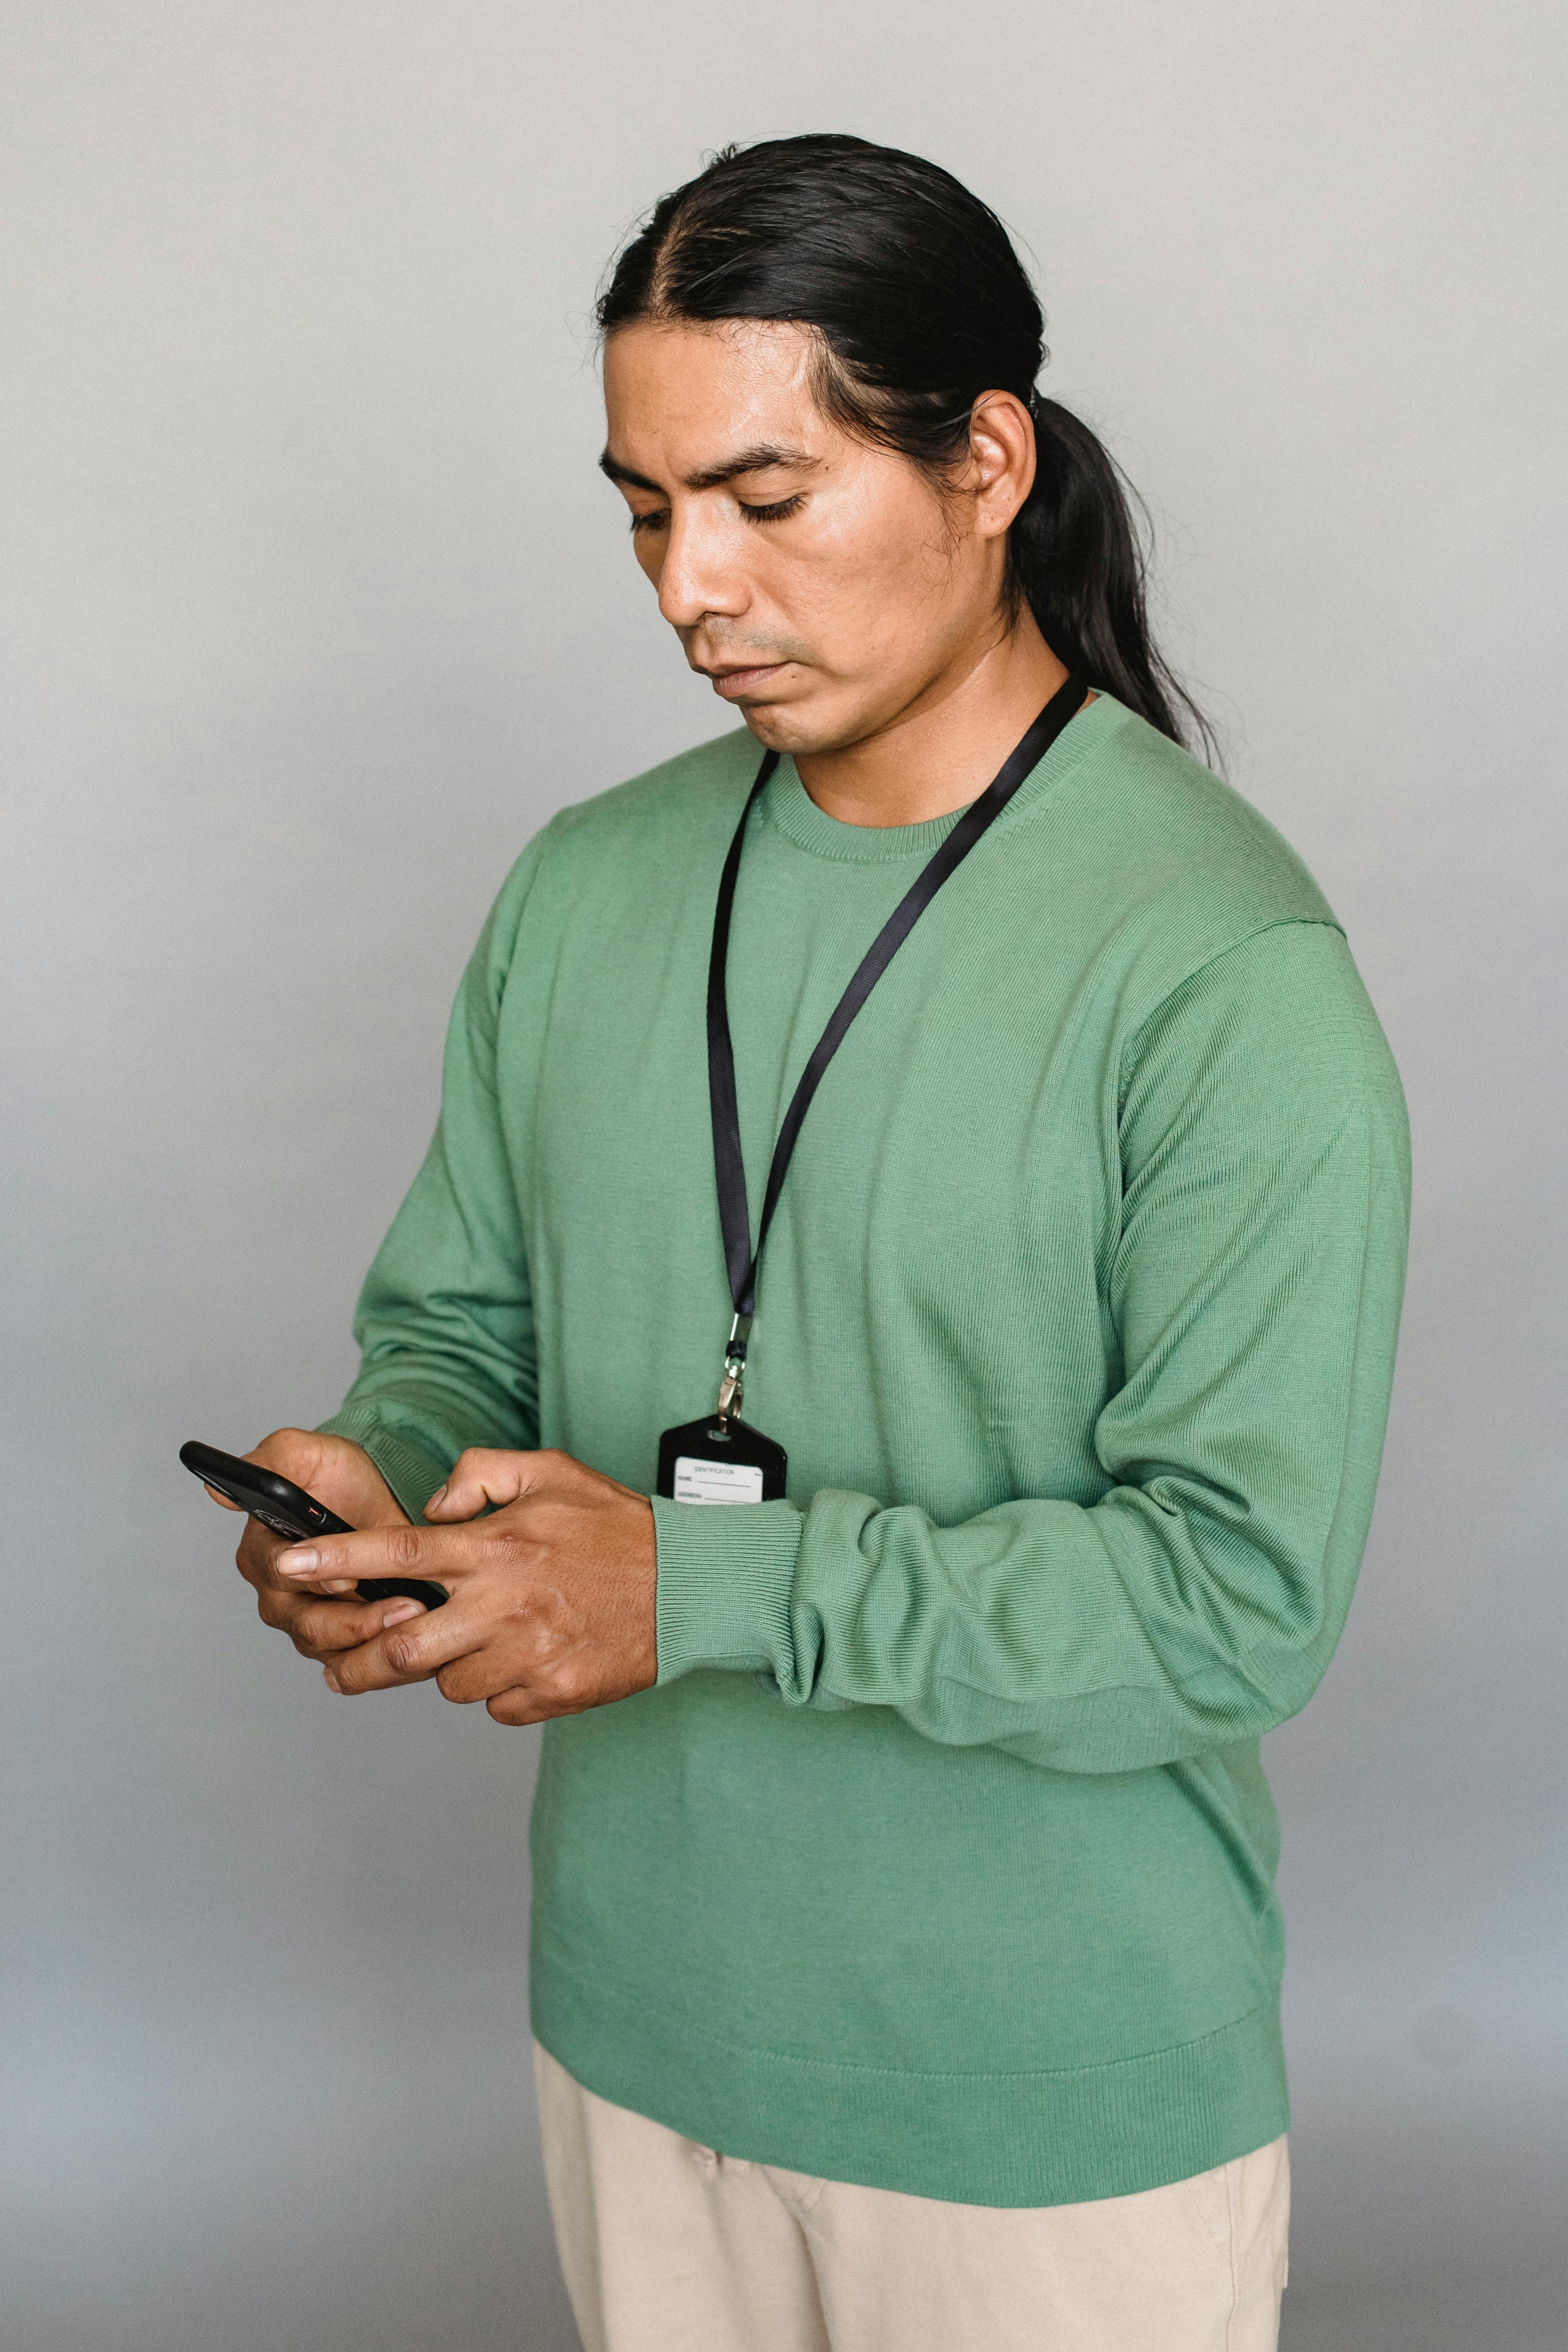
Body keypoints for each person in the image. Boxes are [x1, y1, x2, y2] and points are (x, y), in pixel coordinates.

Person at [226, 135, 1410, 2352]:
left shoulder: (1220, 965)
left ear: (986, 460)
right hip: (635, 2036)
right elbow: (460, 1321)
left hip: (1049, 2109)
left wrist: (693, 1585)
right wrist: (385, 1468)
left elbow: (1232, 1603)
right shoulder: (583, 887)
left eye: (766, 500)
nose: (694, 585)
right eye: (645, 506)